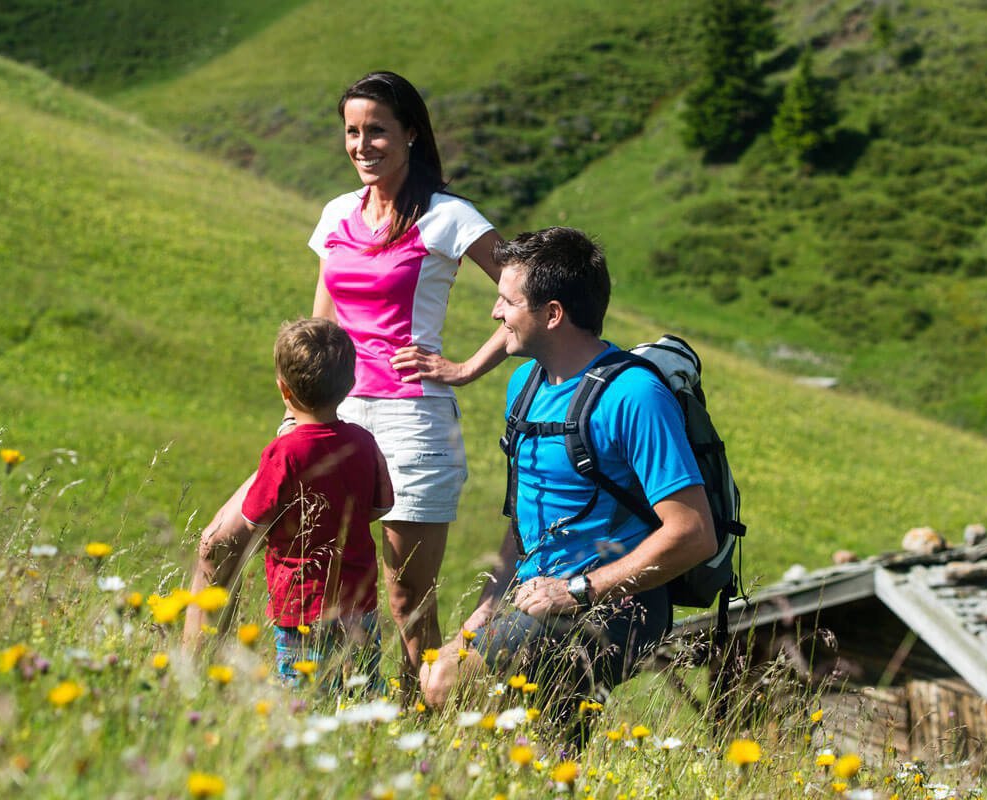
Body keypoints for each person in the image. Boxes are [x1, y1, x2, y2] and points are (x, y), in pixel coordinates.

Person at [196, 71, 509, 680]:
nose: (362, 145)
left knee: (407, 601)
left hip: (413, 422)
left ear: (412, 133)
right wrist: (294, 415)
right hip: (327, 419)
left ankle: (427, 729)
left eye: (377, 131)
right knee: (218, 544)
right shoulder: (338, 213)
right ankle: (191, 686)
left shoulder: (448, 217)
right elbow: (321, 325)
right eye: (352, 131)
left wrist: (464, 367)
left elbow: (530, 294)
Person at [418, 228, 716, 733]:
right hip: (537, 597)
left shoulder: (634, 396)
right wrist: (483, 614)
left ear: (553, 314)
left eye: (507, 302)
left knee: (444, 679)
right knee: (547, 747)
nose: (495, 314)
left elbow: (693, 533)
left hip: (618, 606)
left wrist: (578, 590)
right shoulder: (525, 383)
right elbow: (526, 521)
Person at [183, 319, 392, 688]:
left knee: (302, 696)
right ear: (349, 386)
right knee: (360, 688)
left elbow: (252, 519)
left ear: (284, 390)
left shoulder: (284, 452)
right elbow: (381, 507)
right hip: (359, 604)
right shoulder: (363, 441)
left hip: (302, 605)